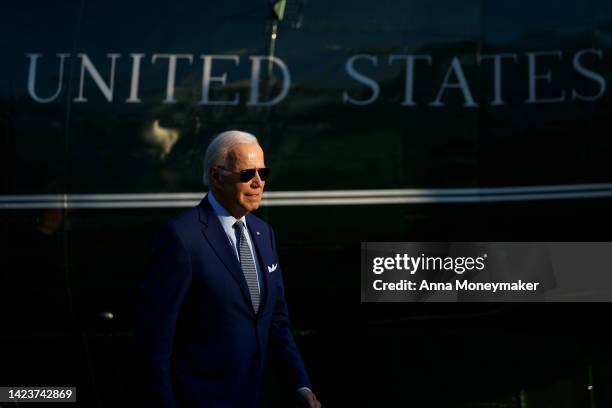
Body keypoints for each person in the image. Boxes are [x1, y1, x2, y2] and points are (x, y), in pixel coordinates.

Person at [134, 130, 321, 407]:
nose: (258, 183)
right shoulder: (181, 238)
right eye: (247, 174)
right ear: (216, 176)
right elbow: (155, 341)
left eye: (263, 173)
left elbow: (277, 321)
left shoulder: (263, 232)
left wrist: (300, 384)